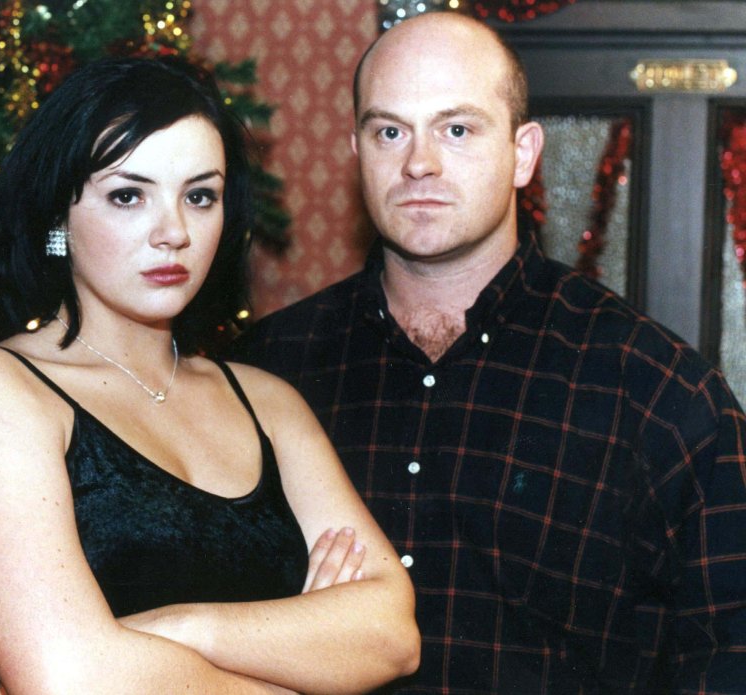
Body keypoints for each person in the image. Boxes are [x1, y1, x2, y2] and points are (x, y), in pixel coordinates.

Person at [234, 11, 746, 694]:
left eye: (457, 129)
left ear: (524, 152)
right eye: (390, 130)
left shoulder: (658, 392)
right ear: (357, 152)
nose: (419, 162)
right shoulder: (268, 371)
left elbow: (727, 658)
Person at [0, 55, 419, 694]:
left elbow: (392, 635)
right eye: (128, 195)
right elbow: (73, 681)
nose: (174, 232)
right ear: (57, 219)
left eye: (199, 196)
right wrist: (301, 653)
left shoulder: (268, 401)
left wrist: (172, 630)